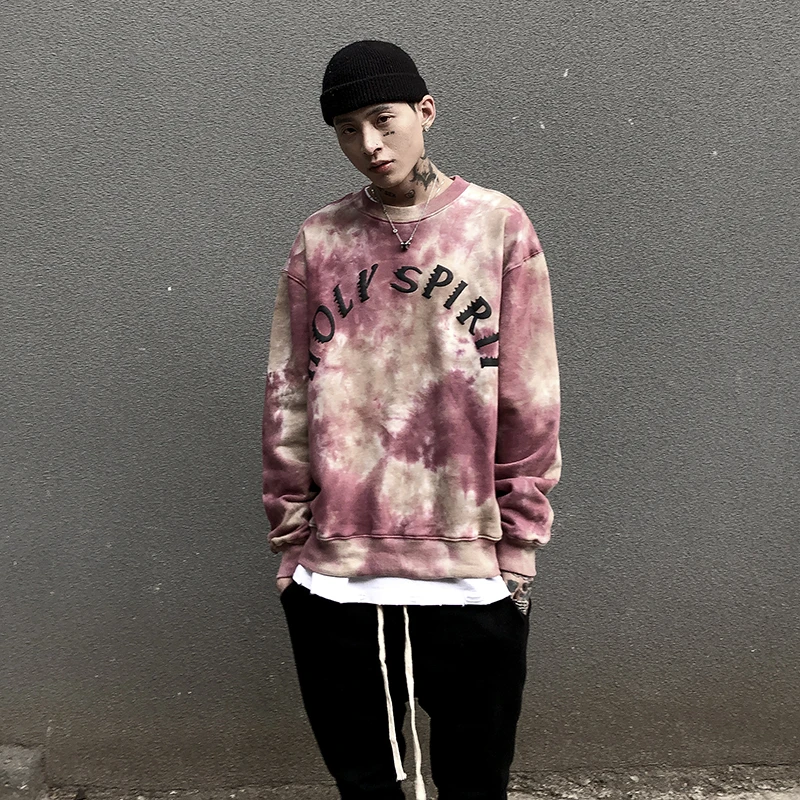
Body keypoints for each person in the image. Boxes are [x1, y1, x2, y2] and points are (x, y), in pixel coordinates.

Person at [262, 40, 561, 800]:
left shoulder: (497, 226)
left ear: (425, 111)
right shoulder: (320, 240)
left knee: (475, 782)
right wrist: (292, 547)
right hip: (339, 575)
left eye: (383, 119)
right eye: (347, 129)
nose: (368, 143)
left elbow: (529, 396)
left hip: (468, 570)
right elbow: (287, 396)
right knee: (366, 786)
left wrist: (519, 546)